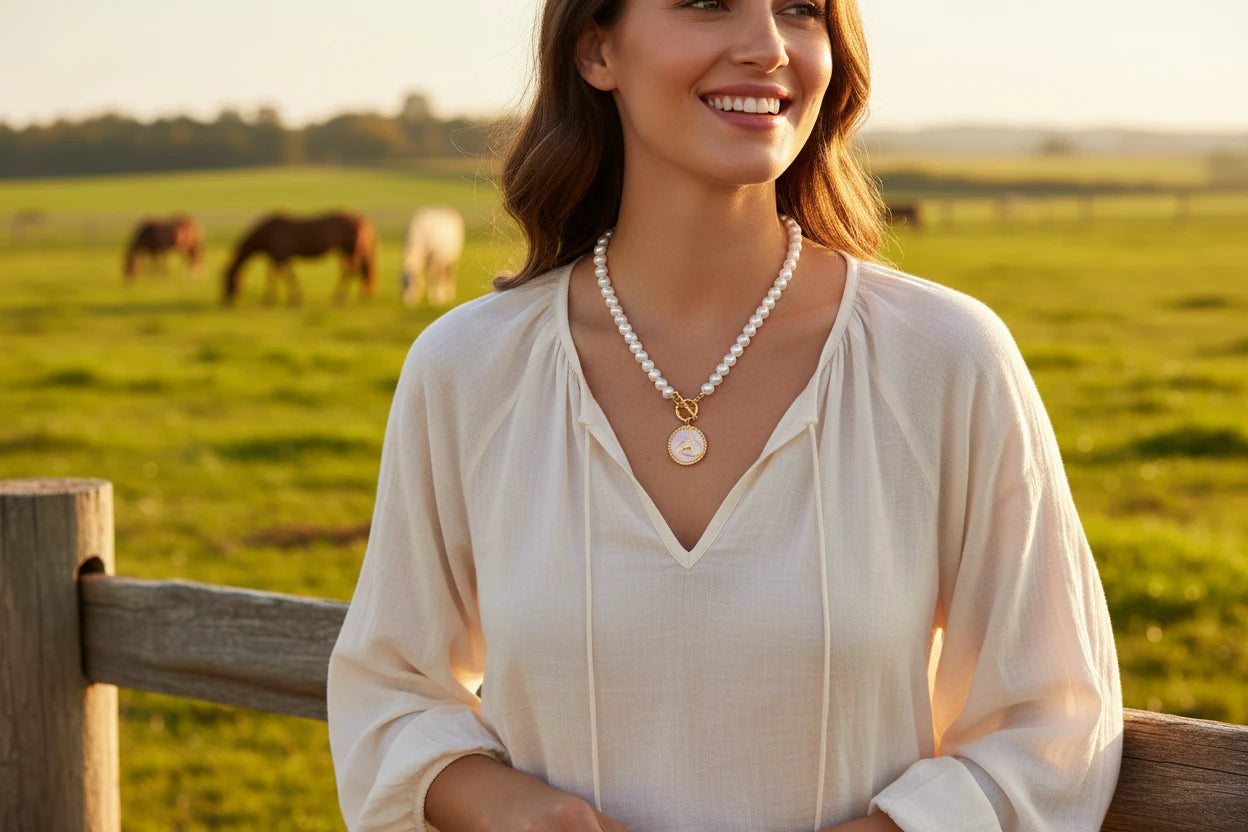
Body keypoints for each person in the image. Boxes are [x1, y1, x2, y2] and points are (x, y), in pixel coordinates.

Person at [326, 0, 1124, 829]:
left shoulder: (949, 360)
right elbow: (388, 691)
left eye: (801, 10)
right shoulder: (468, 369)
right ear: (598, 48)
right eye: (709, 4)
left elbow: (1056, 719)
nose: (767, 47)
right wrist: (517, 811)